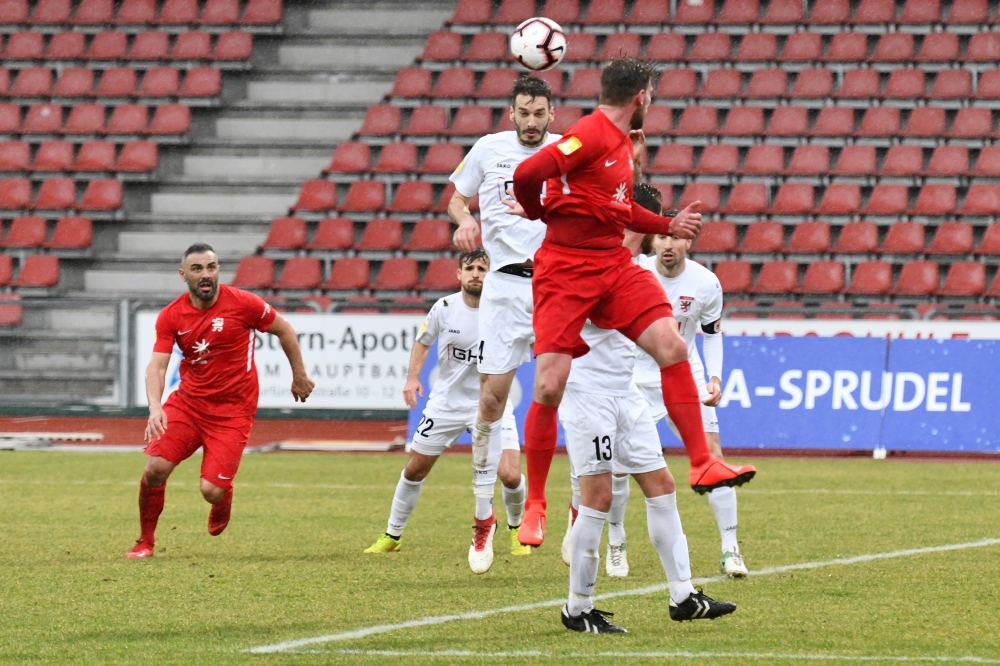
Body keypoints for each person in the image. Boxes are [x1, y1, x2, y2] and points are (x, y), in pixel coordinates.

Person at [509, 58, 756, 546]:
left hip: (612, 265)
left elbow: (619, 209)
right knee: (550, 385)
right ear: (641, 96)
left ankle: (702, 462)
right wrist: (538, 211)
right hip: (566, 269)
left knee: (672, 345)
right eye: (652, 96)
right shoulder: (591, 133)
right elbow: (527, 171)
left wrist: (667, 225)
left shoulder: (623, 143)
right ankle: (536, 502)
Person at [557, 229, 737, 634]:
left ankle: (683, 596)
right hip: (589, 395)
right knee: (599, 496)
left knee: (662, 485)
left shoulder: (636, 271)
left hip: (627, 391)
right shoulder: (587, 264)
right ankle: (578, 607)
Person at [127, 243, 314, 558]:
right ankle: (145, 541)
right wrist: (155, 407)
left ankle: (222, 494)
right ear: (183, 275)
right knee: (155, 468)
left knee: (211, 491)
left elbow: (284, 331)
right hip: (189, 404)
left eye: (211, 267)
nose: (206, 274)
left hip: (233, 412)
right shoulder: (171, 315)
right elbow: (157, 366)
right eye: (197, 269)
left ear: (218, 271)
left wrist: (299, 375)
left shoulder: (243, 303)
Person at [448, 75, 560, 554]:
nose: (531, 122)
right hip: (503, 288)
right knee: (491, 401)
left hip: (556, 285)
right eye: (524, 113)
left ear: (551, 114)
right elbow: (456, 198)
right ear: (511, 113)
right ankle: (482, 517)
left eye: (539, 113)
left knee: (569, 397)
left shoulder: (566, 150)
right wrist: (465, 219)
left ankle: (573, 514)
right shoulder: (488, 148)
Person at [363, 250, 529, 574]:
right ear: (459, 274)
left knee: (510, 474)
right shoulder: (445, 307)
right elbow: (423, 341)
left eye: (482, 268)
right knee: (415, 470)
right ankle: (392, 535)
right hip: (447, 404)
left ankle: (516, 530)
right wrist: (412, 378)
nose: (476, 274)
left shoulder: (504, 311)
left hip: (492, 403)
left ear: (491, 274)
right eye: (470, 268)